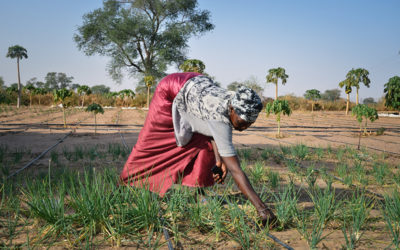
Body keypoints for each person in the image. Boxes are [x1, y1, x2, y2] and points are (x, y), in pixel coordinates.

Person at [120, 72, 276, 226]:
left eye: (249, 124)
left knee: (203, 143)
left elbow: (212, 130)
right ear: (232, 109)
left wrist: (218, 159)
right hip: (171, 88)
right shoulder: (220, 117)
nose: (244, 127)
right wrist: (263, 210)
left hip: (197, 86)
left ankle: (200, 191)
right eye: (242, 122)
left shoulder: (230, 102)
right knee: (151, 143)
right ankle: (125, 186)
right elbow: (235, 169)